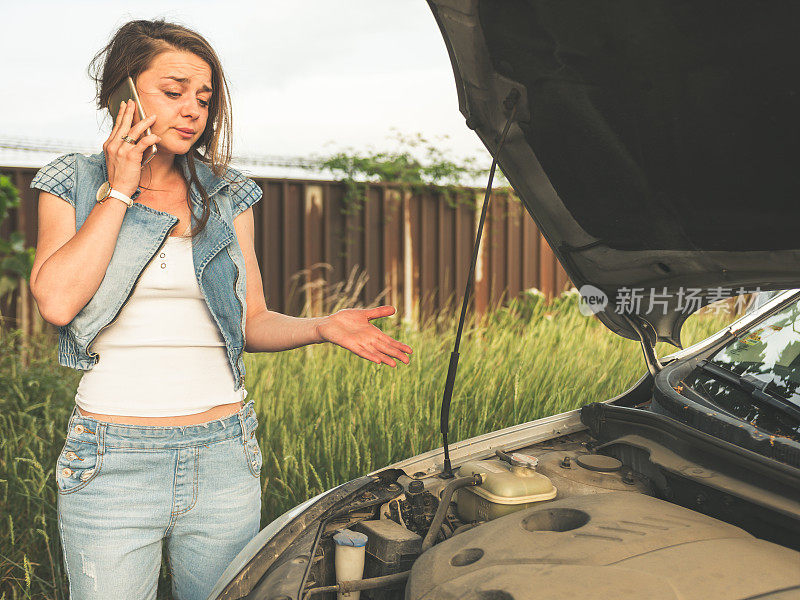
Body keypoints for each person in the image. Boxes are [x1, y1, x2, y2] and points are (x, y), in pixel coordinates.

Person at [29, 19, 412, 600]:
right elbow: (57, 301)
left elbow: (251, 319)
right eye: (174, 91)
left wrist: (320, 326)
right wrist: (120, 191)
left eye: (204, 99)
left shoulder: (226, 194)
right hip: (110, 459)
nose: (193, 111)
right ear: (124, 95)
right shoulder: (74, 182)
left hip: (224, 453)